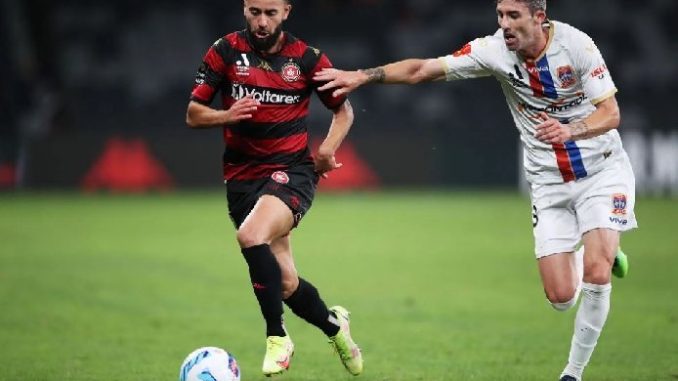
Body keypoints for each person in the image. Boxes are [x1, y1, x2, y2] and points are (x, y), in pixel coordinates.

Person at [314, 0, 634, 380]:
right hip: (548, 183)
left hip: (601, 171)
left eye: (514, 16)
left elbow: (610, 113)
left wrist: (571, 130)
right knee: (561, 298)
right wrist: (364, 76)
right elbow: (421, 70)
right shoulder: (494, 50)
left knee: (597, 275)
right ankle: (596, 254)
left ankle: (573, 372)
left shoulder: (577, 46)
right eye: (500, 15)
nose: (505, 24)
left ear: (539, 17)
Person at [185, 0, 363, 377]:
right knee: (283, 283)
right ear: (244, 9)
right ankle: (336, 328)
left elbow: (343, 110)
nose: (261, 21)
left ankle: (277, 336)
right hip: (241, 178)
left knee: (250, 236)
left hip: (292, 172)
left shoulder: (308, 59)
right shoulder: (225, 51)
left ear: (286, 12)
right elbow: (193, 113)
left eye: (270, 13)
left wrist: (327, 149)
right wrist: (225, 115)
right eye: (254, 12)